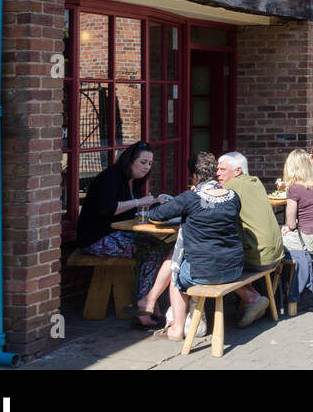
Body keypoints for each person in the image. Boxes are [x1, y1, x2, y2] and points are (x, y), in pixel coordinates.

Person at [76, 141, 171, 328]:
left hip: (114, 233)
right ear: (130, 161)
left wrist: (153, 203)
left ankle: (149, 303)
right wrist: (139, 202)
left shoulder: (132, 181)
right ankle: (144, 308)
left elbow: (128, 213)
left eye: (150, 164)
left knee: (159, 247)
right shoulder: (110, 178)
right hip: (95, 238)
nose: (146, 167)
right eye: (143, 162)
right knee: (151, 252)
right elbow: (107, 209)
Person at [148, 157, 244, 343]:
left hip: (204, 272)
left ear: (194, 176)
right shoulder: (233, 197)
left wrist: (154, 203)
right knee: (187, 265)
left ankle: (177, 328)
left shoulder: (191, 198)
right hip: (234, 269)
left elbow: (157, 215)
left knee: (175, 276)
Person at [217, 151, 285, 327]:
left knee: (210, 263)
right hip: (276, 254)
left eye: (223, 169)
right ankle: (253, 299)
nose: (218, 173)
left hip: (260, 257)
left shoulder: (232, 187)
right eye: (217, 169)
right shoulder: (255, 182)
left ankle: (252, 298)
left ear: (237, 170)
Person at [281, 149, 313, 311]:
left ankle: (279, 292)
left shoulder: (294, 188)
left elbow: (291, 222)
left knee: (273, 244)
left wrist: (288, 228)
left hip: (308, 241)